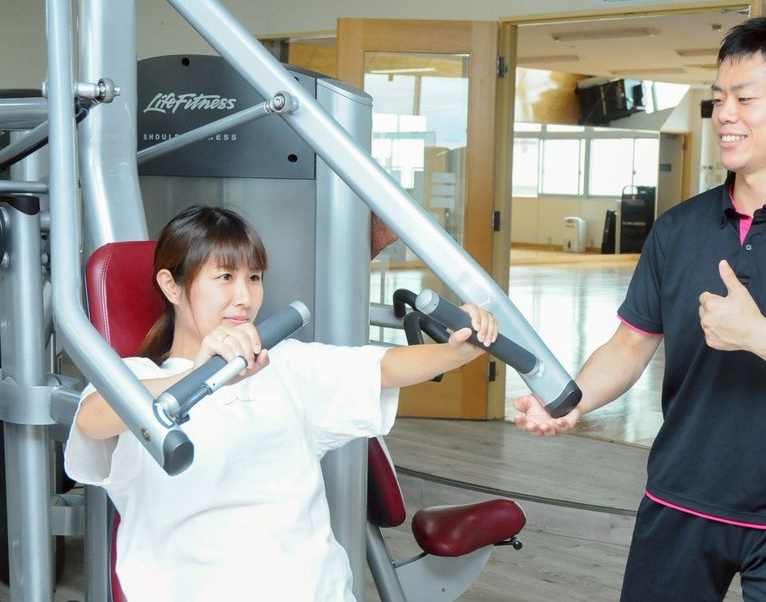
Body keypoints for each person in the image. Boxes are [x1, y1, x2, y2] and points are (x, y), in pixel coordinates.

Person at [514, 16, 766, 601]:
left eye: (745, 99)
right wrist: (572, 400)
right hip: (678, 501)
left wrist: (759, 335)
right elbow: (629, 344)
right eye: (718, 98)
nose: (725, 114)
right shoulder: (677, 229)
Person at [65, 205, 498, 601]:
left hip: (311, 586)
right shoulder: (137, 378)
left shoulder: (286, 362)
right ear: (171, 286)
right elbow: (91, 420)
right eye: (225, 278)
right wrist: (199, 373)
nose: (244, 297)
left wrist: (457, 351)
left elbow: (382, 368)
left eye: (254, 278)